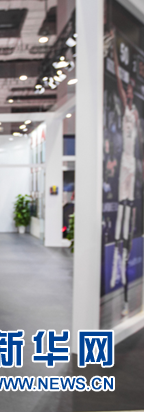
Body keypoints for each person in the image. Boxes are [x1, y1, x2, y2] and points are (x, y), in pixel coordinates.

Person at [110, 32, 141, 316]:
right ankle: (117, 276)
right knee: (121, 223)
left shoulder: (136, 117)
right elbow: (120, 85)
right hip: (125, 168)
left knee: (129, 223)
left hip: (133, 167)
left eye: (132, 91)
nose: (129, 94)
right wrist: (115, 55)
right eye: (128, 91)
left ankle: (127, 295)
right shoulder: (126, 112)